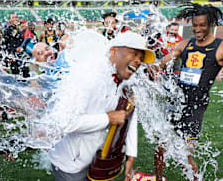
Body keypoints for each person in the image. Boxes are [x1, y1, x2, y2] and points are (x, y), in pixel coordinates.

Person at [155, 3, 223, 180]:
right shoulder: (185, 44)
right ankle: (158, 178)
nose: (197, 29)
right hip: (175, 103)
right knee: (160, 147)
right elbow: (161, 64)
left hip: (196, 108)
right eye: (194, 25)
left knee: (185, 155)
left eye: (202, 25)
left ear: (211, 24)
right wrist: (151, 68)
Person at [48, 31, 156, 181]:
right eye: (134, 53)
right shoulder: (87, 75)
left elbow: (129, 116)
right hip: (70, 165)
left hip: (100, 162)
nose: (138, 61)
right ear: (113, 51)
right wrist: (108, 118)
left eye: (141, 58)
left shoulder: (126, 81)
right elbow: (66, 122)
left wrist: (131, 156)